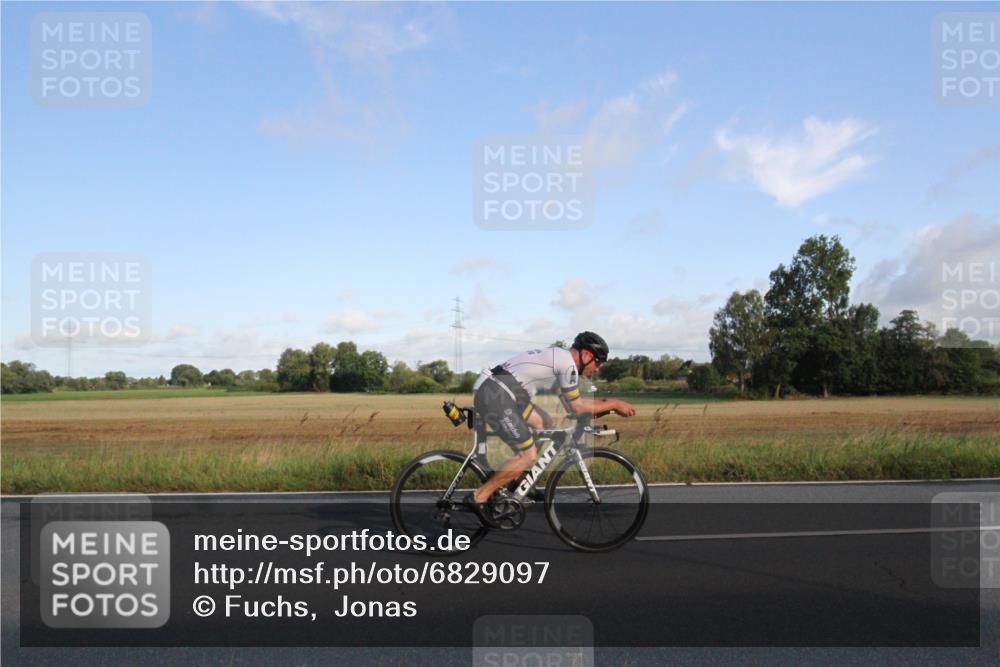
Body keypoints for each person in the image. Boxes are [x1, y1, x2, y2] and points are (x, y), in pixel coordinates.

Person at [463, 331, 636, 523]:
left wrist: (602, 408)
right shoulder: (567, 363)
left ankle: (520, 481)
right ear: (587, 355)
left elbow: (572, 406)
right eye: (598, 362)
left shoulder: (562, 360)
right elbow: (576, 407)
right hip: (497, 393)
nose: (598, 368)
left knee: (544, 423)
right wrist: (613, 403)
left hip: (508, 391)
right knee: (527, 455)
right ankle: (478, 497)